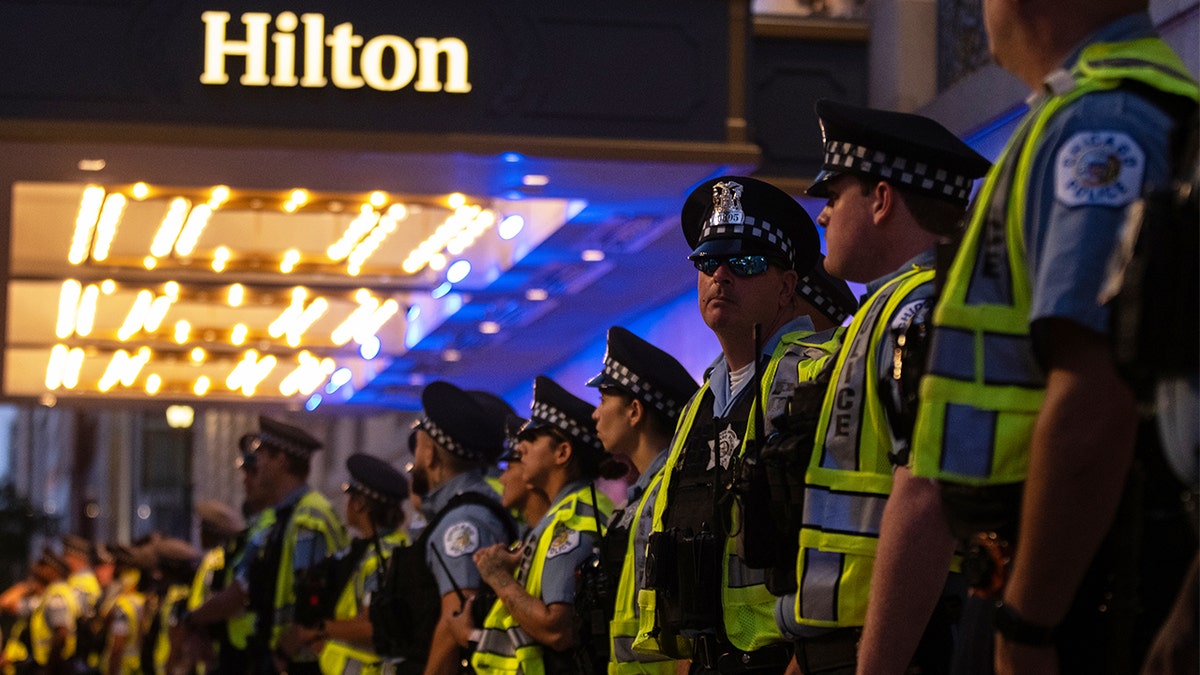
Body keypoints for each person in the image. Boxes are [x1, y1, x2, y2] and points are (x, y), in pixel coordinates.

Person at [904, 1, 1199, 673]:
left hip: (1076, 580)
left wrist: (1027, 622)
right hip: (1077, 563)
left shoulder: (1097, 125)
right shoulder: (1132, 105)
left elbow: (1094, 393)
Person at [777, 99, 990, 675]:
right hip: (855, 643)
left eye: (833, 195)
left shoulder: (918, 312)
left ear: (881, 199)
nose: (821, 216)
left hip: (900, 646)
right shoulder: (884, 312)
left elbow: (925, 497)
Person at [635, 176, 857, 674]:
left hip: (792, 656)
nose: (721, 275)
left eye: (747, 261)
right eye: (707, 262)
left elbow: (849, 531)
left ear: (786, 286)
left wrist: (809, 657)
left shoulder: (823, 370)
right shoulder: (700, 403)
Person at [469, 375, 618, 674]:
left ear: (562, 453)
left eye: (532, 438)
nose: (520, 447)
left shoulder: (572, 519)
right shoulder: (566, 513)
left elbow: (557, 630)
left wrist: (497, 576)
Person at [184, 417, 348, 675]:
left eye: (262, 456)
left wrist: (283, 654)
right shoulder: (281, 518)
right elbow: (248, 584)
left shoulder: (309, 517)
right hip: (281, 655)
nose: (255, 465)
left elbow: (310, 604)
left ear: (281, 460)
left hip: (303, 660)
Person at [585, 325, 698, 675]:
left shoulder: (670, 492)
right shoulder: (643, 497)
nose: (595, 414)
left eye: (604, 400)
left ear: (634, 412)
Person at [406, 380, 516, 675]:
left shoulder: (461, 522)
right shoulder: (463, 509)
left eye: (417, 449)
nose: (415, 460)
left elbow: (453, 623)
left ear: (429, 455)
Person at [280, 452, 410, 675]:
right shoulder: (373, 548)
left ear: (359, 504)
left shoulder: (384, 555)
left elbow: (372, 625)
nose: (346, 503)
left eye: (349, 496)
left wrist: (319, 629)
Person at [181, 499, 245, 674]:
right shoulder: (222, 557)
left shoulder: (213, 561)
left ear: (213, 531)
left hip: (219, 642)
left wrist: (193, 618)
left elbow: (208, 599)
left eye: (203, 528)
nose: (200, 534)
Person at [62, 534, 103, 672]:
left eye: (66, 555)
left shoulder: (83, 584)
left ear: (75, 557)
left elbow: (69, 612)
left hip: (80, 656)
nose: (64, 560)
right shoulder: (78, 580)